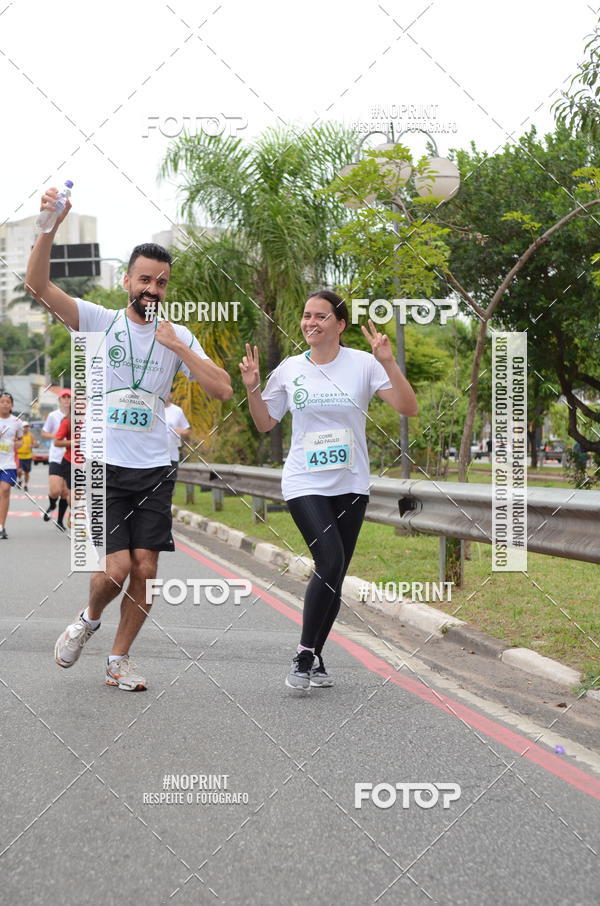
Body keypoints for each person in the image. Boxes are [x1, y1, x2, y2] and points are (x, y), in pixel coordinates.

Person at [25, 186, 233, 691]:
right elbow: (37, 284)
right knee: (116, 569)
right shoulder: (98, 321)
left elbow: (223, 389)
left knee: (145, 567)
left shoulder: (178, 335)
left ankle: (118, 659)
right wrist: (51, 224)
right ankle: (89, 618)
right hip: (103, 465)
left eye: (161, 282)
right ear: (127, 281)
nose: (153, 288)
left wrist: (179, 349)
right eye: (145, 279)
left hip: (156, 468)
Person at [239, 290, 418, 691]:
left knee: (335, 572)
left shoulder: (365, 364)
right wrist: (252, 387)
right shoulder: (288, 369)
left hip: (351, 482)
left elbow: (408, 408)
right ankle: (305, 653)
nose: (310, 323)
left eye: (321, 317)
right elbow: (266, 423)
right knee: (329, 556)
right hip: (304, 480)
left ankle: (315, 656)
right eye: (306, 316)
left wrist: (389, 361)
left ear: (340, 325)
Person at [41, 390, 71, 529]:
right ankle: (52, 504)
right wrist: (57, 436)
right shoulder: (53, 416)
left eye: (69, 397)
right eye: (63, 397)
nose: (66, 400)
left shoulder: (77, 417)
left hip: (70, 457)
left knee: (65, 492)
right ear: (59, 400)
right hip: (56, 456)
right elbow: (44, 432)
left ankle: (60, 521)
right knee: (55, 491)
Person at [0, 392, 24, 539]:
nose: (5, 404)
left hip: (8, 463)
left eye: (7, 402)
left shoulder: (17, 421)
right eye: (2, 401)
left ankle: (1, 526)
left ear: (12, 405)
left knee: (5, 489)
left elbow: (20, 440)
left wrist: (16, 444)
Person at [164, 391, 191, 483]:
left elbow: (187, 430)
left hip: (172, 457)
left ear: (171, 394)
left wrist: (181, 431)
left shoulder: (177, 411)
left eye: (167, 392)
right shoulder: (152, 409)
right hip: (153, 457)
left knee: (168, 485)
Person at [53, 403, 72, 528]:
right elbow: (57, 442)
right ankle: (76, 515)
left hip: (90, 462)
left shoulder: (95, 420)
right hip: (71, 461)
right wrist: (73, 442)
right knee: (71, 493)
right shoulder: (67, 422)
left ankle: (74, 514)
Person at [16, 421, 39, 492]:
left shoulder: (31, 435)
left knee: (27, 472)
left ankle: (25, 484)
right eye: (24, 427)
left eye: (27, 427)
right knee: (19, 471)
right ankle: (19, 480)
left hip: (28, 456)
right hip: (19, 455)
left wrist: (32, 445)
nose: (26, 428)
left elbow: (36, 445)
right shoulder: (18, 435)